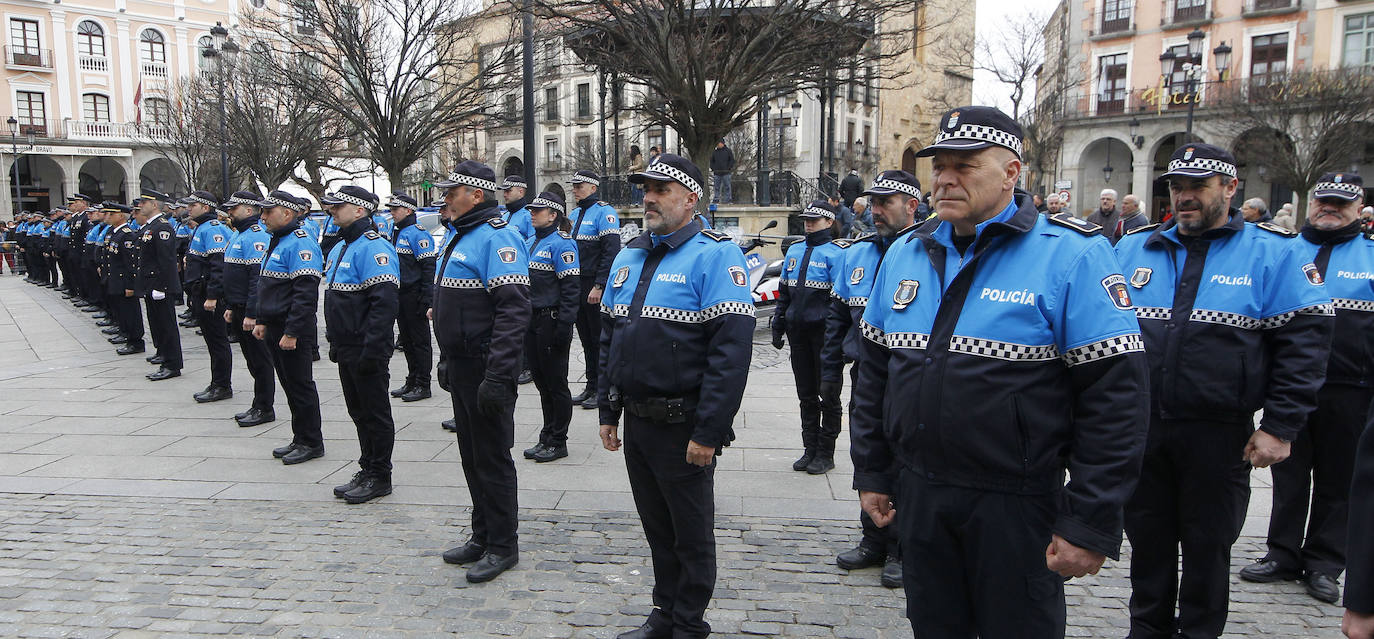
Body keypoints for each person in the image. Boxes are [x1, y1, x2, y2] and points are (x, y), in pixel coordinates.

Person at [850, 106, 1149, 638]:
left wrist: (1089, 520)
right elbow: (873, 375)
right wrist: (872, 471)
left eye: (965, 166)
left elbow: (1116, 399)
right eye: (939, 165)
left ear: (1013, 172)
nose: (944, 178)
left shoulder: (1073, 256)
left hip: (1015, 503)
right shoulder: (906, 252)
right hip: (922, 494)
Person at [1114, 143, 1334, 639]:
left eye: (1197, 187)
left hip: (1219, 433)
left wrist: (1280, 425)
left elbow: (1305, 347)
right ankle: (1145, 630)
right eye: (1176, 186)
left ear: (1231, 188)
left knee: (1208, 545)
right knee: (1146, 541)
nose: (1184, 196)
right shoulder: (1133, 247)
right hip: (1142, 427)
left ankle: (1198, 631)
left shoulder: (1273, 252)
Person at [599, 153, 756, 639]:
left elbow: (730, 355)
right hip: (639, 421)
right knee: (656, 528)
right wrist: (608, 407)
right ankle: (664, 611)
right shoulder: (630, 253)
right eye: (646, 188)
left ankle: (688, 621)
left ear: (691, 198)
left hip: (684, 423)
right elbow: (612, 337)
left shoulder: (715, 254)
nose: (649, 197)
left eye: (661, 189)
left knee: (689, 532)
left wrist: (708, 430)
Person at [1238, 173, 1374, 604]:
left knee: (1339, 478)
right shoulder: (1285, 251)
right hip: (1291, 386)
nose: (1329, 209)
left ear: (1358, 208)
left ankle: (1325, 563)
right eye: (1323, 202)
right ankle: (1282, 552)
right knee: (1288, 474)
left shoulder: (1370, 254)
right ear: (1311, 204)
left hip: (1350, 387)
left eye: (1340, 204)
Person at [821, 169, 924, 589]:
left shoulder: (927, 252)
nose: (876, 211)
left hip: (912, 377)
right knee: (868, 452)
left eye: (886, 204)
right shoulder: (857, 253)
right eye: (874, 203)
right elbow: (836, 316)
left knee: (906, 459)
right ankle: (873, 538)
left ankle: (904, 547)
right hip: (867, 370)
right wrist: (829, 372)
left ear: (912, 206)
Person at [431, 161, 530, 584]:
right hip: (464, 364)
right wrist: (447, 358)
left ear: (475, 194)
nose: (444, 198)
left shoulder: (497, 237)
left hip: (488, 367)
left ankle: (503, 545)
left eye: (451, 191)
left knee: (492, 458)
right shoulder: (461, 236)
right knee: (471, 455)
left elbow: (513, 309)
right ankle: (482, 534)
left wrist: (498, 374)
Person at [321, 185, 401, 504]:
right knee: (358, 411)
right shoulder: (345, 245)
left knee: (374, 412)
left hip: (366, 346)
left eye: (338, 206)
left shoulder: (373, 247)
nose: (331, 210)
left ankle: (380, 474)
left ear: (359, 210)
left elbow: (383, 304)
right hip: (348, 345)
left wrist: (372, 349)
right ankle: (367, 466)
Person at [250, 191, 325, 465]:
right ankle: (300, 436)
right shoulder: (278, 240)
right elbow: (267, 286)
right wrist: (262, 320)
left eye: (269, 211)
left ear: (287, 213)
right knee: (289, 384)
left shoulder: (300, 244)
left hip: (291, 328)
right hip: (275, 325)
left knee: (300, 385)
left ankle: (311, 441)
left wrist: (292, 332)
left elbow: (304, 294)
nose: (263, 216)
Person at [772, 199, 846, 474]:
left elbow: (842, 301)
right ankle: (809, 448)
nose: (809, 224)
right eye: (806, 219)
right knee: (806, 395)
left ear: (828, 222)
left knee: (828, 394)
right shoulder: (794, 250)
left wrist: (843, 340)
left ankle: (826, 452)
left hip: (825, 336)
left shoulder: (837, 253)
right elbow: (785, 293)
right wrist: (779, 324)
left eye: (815, 220)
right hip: (799, 333)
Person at [519, 191, 580, 464]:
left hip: (551, 319)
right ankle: (546, 435)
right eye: (531, 209)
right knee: (542, 383)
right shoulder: (531, 241)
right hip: (532, 320)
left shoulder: (562, 244)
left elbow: (570, 289)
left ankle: (558, 440)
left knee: (556, 383)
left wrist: (565, 325)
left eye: (538, 210)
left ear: (553, 215)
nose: (532, 213)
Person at [220, 192, 277, 427]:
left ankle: (265, 406)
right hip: (239, 305)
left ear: (250, 209)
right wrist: (232, 307)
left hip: (249, 309)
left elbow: (256, 278)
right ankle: (258, 403)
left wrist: (252, 313)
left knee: (260, 360)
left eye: (235, 208)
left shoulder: (255, 236)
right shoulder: (239, 234)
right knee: (252, 360)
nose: (230, 212)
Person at [568, 169, 621, 409]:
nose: (575, 189)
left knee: (599, 339)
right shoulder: (575, 213)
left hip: (594, 284)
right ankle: (590, 385)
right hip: (577, 284)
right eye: (574, 185)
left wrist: (600, 285)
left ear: (593, 187)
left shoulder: (604, 212)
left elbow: (610, 253)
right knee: (586, 339)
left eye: (580, 186)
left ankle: (602, 390)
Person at [182, 191, 234, 403]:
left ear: (205, 207)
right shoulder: (202, 228)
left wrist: (212, 296)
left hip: (209, 294)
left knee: (217, 340)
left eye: (193, 205)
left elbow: (217, 266)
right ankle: (217, 382)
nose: (188, 209)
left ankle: (222, 384)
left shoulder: (213, 230)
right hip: (200, 291)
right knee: (212, 341)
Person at [386, 192, 438, 403]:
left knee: (420, 341)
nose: (392, 212)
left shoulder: (418, 234)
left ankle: (423, 384)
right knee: (406, 340)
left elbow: (427, 269)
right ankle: (412, 378)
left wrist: (426, 299)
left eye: (395, 209)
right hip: (401, 294)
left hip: (414, 294)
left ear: (408, 210)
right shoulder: (396, 231)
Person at [133, 190, 184, 381]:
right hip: (150, 283)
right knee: (157, 323)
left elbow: (167, 260)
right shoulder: (150, 226)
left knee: (167, 325)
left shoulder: (162, 227)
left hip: (159, 285)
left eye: (144, 202)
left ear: (154, 205)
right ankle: (164, 355)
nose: (141, 206)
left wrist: (162, 286)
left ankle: (172, 364)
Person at [102, 203, 145, 356]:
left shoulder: (127, 235)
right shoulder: (114, 232)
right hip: (115, 279)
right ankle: (126, 334)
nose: (108, 217)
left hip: (123, 280)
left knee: (130, 311)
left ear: (121, 216)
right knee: (121, 310)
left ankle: (135, 341)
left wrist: (130, 285)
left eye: (111, 214)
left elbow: (130, 263)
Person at [498, 176, 536, 240]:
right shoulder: (504, 216)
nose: (504, 195)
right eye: (504, 191)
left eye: (508, 191)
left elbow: (533, 243)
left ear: (520, 192)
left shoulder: (530, 216)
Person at [710, 140, 735, 204]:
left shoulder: (728, 151)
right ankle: (716, 199)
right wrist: (713, 169)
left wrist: (728, 168)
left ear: (722, 143)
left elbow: (732, 160)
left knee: (727, 187)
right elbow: (712, 161)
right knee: (716, 187)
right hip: (717, 172)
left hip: (726, 172)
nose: (718, 145)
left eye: (719, 143)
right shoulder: (714, 152)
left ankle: (728, 200)